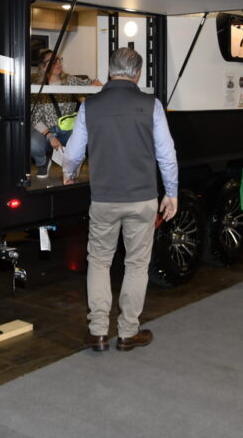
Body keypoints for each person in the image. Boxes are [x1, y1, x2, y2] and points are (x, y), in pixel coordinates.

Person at [62, 47, 178, 352]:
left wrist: (70, 173)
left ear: (111, 69)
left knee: (99, 262)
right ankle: (128, 332)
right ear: (137, 74)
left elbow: (73, 153)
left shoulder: (90, 106)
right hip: (142, 199)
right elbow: (167, 154)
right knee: (137, 265)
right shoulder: (150, 105)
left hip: (104, 199)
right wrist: (172, 192)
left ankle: (98, 331)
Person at [30, 49, 99, 179]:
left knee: (90, 136)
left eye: (58, 60)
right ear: (43, 67)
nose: (58, 63)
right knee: (33, 143)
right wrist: (50, 136)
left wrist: (104, 87)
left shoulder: (70, 80)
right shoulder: (36, 87)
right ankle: (42, 163)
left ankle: (78, 163)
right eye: (52, 61)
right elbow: (35, 118)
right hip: (46, 130)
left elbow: (90, 83)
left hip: (68, 129)